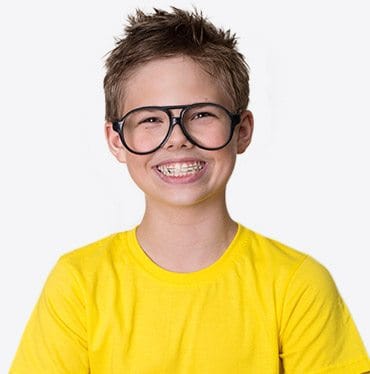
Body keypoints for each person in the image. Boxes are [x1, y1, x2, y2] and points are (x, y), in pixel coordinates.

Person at [10, 7, 370, 373]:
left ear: (242, 129)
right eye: (151, 119)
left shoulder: (297, 285)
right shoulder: (78, 283)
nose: (177, 139)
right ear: (116, 140)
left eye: (201, 114)